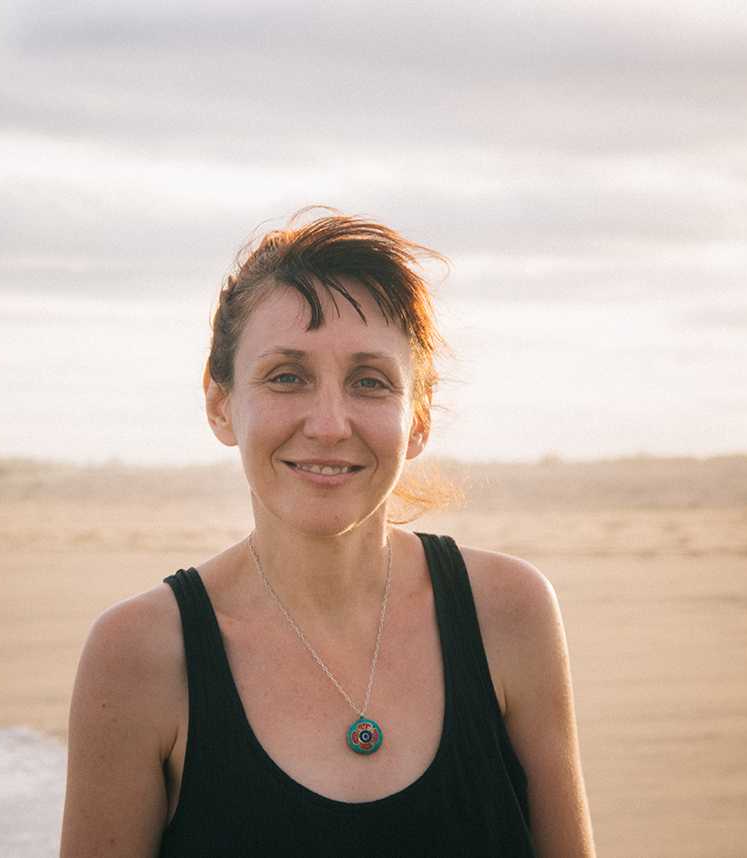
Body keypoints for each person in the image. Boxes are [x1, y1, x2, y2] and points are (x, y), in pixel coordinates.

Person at [59, 211, 597, 857]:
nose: (329, 425)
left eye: (369, 382)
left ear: (418, 418)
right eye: (287, 376)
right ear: (220, 403)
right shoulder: (138, 654)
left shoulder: (508, 612)